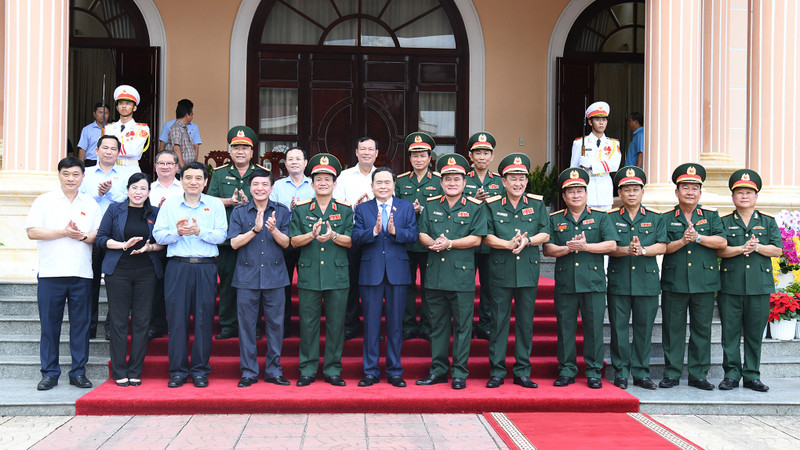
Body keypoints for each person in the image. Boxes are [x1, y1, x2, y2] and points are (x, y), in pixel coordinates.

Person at [25, 157, 102, 390]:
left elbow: (98, 235)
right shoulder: (44, 201)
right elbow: (32, 232)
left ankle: (78, 372)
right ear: (59, 175)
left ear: (83, 177)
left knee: (81, 326)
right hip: (51, 273)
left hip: (81, 273)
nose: (71, 178)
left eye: (76, 174)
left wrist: (80, 236)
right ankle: (49, 372)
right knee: (50, 326)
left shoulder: (90, 204)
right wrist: (63, 232)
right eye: (66, 174)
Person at [415, 153, 487, 390]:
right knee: (437, 326)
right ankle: (438, 370)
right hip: (435, 275)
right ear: (441, 182)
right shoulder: (432, 205)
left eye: (456, 179)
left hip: (461, 277)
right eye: (447, 179)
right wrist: (430, 242)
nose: (452, 183)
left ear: (465, 182)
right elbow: (422, 233)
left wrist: (450, 243)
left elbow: (477, 239)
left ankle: (459, 373)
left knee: (463, 327)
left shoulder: (475, 207)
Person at [153, 162, 227, 388]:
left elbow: (222, 236)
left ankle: (200, 370)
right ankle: (177, 371)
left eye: (198, 178)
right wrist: (177, 232)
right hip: (178, 266)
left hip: (205, 266)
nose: (193, 182)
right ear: (181, 180)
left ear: (205, 182)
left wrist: (199, 232)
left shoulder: (215, 205)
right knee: (177, 321)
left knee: (204, 321)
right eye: (188, 178)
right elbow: (158, 235)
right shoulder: (170, 205)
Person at [543, 168, 618, 389]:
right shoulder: (555, 219)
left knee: (593, 328)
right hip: (566, 283)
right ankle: (566, 370)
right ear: (564, 196)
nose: (576, 195)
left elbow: (612, 245)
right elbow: (548, 249)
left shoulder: (601, 217)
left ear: (587, 193)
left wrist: (586, 247)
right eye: (571, 192)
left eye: (580, 191)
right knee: (565, 328)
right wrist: (568, 248)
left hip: (593, 283)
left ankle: (594, 371)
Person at [484, 153, 551, 389]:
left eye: (522, 178)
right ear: (503, 181)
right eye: (513, 178)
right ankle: (497, 371)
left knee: (525, 323)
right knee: (499, 322)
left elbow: (545, 232)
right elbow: (487, 235)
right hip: (500, 271)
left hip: (527, 270)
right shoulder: (491, 204)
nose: (518, 183)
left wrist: (529, 240)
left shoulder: (537, 203)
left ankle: (522, 371)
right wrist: (506, 244)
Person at [659, 163, 727, 390]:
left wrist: (698, 238)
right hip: (674, 281)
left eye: (694, 188)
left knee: (701, 329)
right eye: (685, 187)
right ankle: (672, 373)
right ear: (677, 191)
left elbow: (722, 242)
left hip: (704, 282)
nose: (690, 192)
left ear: (700, 192)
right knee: (672, 329)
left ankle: (698, 374)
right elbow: (663, 248)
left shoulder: (711, 216)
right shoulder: (665, 218)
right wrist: (683, 241)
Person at [290, 153, 353, 387]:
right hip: (309, 274)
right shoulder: (302, 209)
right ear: (312, 183)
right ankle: (307, 368)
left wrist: (334, 235)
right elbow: (293, 241)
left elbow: (351, 241)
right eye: (319, 179)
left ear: (335, 183)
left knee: (336, 325)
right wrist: (312, 235)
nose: (323, 182)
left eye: (328, 179)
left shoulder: (345, 209)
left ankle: (333, 369)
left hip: (337, 275)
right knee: (308, 324)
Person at [352, 167, 418, 388]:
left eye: (387, 182)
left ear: (394, 185)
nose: (383, 186)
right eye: (378, 182)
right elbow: (355, 237)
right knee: (371, 324)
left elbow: (413, 235)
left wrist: (395, 231)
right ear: (372, 186)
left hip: (397, 273)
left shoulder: (406, 207)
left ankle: (395, 370)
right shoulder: (363, 209)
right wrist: (373, 231)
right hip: (371, 273)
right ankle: (370, 371)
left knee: (395, 325)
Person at [96, 173, 164, 387]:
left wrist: (149, 247)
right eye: (134, 187)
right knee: (118, 321)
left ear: (149, 192)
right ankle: (119, 371)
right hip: (119, 271)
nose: (138, 192)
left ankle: (135, 370)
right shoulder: (115, 209)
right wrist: (123, 245)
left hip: (146, 272)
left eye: (143, 188)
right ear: (127, 190)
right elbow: (101, 239)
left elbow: (164, 242)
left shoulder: (156, 212)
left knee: (142, 322)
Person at [716, 169, 782, 392]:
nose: (744, 196)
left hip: (759, 287)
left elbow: (777, 250)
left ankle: (752, 375)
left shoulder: (768, 222)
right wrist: (740, 249)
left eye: (749, 192)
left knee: (755, 334)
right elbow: (719, 251)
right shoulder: (723, 222)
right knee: (730, 334)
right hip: (730, 287)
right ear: (733, 197)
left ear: (756, 196)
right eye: (740, 192)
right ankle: (731, 375)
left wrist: (758, 247)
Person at [228, 169, 292, 388]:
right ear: (250, 187)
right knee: (246, 326)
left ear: (271, 188)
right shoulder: (239, 212)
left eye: (265, 184)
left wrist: (273, 230)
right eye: (255, 184)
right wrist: (255, 230)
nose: (260, 188)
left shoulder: (281, 212)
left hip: (275, 277)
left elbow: (286, 243)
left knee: (276, 326)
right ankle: (248, 372)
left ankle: (274, 371)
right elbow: (234, 243)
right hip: (247, 276)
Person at [606, 166, 667, 390]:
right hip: (619, 281)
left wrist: (642, 250)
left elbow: (663, 245)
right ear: (619, 193)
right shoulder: (610, 218)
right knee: (619, 329)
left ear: (642, 192)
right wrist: (626, 251)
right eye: (626, 190)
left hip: (647, 282)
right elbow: (609, 247)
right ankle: (621, 373)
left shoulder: (656, 218)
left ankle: (641, 373)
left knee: (644, 329)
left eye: (635, 189)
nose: (631, 194)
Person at [207, 126, 265, 340]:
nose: (240, 152)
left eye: (245, 148)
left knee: (255, 284)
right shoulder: (220, 173)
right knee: (229, 283)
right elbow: (210, 200)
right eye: (236, 148)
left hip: (254, 237)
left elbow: (268, 200)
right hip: (228, 239)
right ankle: (228, 325)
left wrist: (253, 201)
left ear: (252, 151)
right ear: (230, 151)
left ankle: (254, 326)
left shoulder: (260, 174)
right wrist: (230, 201)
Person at [79, 135, 133, 339]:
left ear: (119, 153)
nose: (109, 151)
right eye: (105, 148)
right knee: (89, 283)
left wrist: (109, 194)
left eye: (113, 149)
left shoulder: (128, 175)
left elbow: (132, 199)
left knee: (118, 284)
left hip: (117, 237)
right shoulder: (86, 174)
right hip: (92, 235)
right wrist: (99, 195)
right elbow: (80, 199)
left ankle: (112, 326)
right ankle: (89, 326)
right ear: (97, 150)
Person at [395, 132, 442, 341]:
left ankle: (427, 325)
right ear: (410, 159)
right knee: (407, 286)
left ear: (430, 157)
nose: (419, 160)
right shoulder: (401, 181)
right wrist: (409, 212)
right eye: (414, 156)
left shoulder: (440, 180)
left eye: (423, 155)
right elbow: (394, 209)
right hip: (406, 242)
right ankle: (407, 325)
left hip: (431, 241)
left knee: (430, 286)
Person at [333, 137, 378, 340]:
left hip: (377, 236)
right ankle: (350, 323)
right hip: (351, 235)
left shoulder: (382, 175)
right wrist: (356, 206)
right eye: (363, 149)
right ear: (356, 152)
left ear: (376, 153)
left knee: (373, 282)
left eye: (370, 149)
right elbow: (336, 204)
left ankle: (373, 327)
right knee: (350, 282)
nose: (366, 152)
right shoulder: (344, 176)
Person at [464, 132, 505, 341]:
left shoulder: (500, 182)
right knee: (466, 286)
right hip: (468, 240)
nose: (481, 157)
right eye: (477, 152)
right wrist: (473, 199)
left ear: (492, 156)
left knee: (490, 286)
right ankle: (467, 323)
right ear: (470, 156)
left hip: (491, 241)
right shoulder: (461, 180)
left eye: (485, 153)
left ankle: (486, 323)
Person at [270, 146, 314, 336]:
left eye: (298, 159)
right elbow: (272, 211)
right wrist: (289, 210)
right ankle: (284, 327)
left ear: (305, 163)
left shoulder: (313, 184)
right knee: (284, 287)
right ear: (285, 164)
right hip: (284, 241)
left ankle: (308, 328)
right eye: (290, 159)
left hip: (307, 240)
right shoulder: (278, 186)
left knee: (308, 286)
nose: (294, 162)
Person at [147, 150, 184, 341]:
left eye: (170, 163)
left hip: (180, 242)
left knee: (176, 288)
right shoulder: (148, 189)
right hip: (155, 243)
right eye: (161, 163)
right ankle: (157, 324)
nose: (165, 167)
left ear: (176, 167)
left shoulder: (183, 189)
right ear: (155, 167)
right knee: (156, 287)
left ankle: (177, 325)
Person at [570, 101, 621, 210]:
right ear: (590, 122)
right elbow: (573, 170)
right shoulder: (579, 143)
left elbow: (614, 165)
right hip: (588, 189)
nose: (601, 123)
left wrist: (592, 165)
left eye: (604, 120)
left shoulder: (613, 144)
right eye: (597, 120)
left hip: (605, 189)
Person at [105, 85, 150, 172]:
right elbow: (101, 151)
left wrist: (110, 149)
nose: (124, 106)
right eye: (121, 103)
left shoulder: (141, 129)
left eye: (128, 103)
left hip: (131, 169)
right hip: (111, 169)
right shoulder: (108, 128)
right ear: (117, 107)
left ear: (134, 108)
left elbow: (134, 150)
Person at [76, 101, 110, 167]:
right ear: (94, 114)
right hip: (91, 162)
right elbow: (82, 149)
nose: (103, 115)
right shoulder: (87, 129)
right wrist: (81, 168)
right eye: (100, 112)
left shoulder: (113, 129)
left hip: (108, 162)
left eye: (105, 113)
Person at [166, 99, 196, 167]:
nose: (192, 115)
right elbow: (176, 148)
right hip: (180, 171)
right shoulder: (176, 128)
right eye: (191, 113)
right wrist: (183, 168)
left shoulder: (183, 128)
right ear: (187, 115)